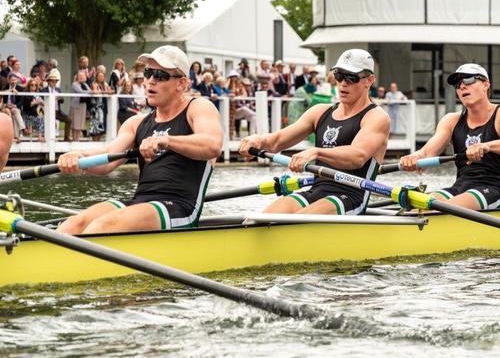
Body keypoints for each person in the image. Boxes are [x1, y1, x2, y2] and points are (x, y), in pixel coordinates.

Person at [56, 45, 223, 234]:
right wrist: (79, 157)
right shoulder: (136, 122)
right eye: (148, 73)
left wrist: (166, 141)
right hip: (139, 202)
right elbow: (108, 159)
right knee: (73, 224)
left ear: (182, 84)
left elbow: (212, 145)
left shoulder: (199, 108)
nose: (150, 81)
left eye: (160, 75)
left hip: (178, 207)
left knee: (101, 227)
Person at [240, 49, 390, 215]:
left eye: (351, 77)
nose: (343, 83)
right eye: (339, 75)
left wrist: (316, 152)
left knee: (297, 222)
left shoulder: (376, 117)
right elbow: (276, 141)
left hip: (351, 197)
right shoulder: (319, 112)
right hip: (316, 191)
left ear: (369, 80)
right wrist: (258, 140)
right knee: (263, 218)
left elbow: (357, 157)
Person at [400, 63, 500, 210]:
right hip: (459, 187)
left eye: (468, 80)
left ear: (486, 84)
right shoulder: (451, 120)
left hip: (493, 189)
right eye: (457, 83)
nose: (462, 86)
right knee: (419, 208)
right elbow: (426, 153)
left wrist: (486, 146)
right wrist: (412, 158)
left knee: (443, 209)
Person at [40, 69, 71, 141]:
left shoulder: (58, 90)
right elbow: (41, 100)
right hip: (47, 111)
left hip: (57, 111)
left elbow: (62, 101)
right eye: (52, 81)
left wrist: (60, 98)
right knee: (50, 122)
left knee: (68, 119)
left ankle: (66, 137)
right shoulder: (44, 90)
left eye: (55, 81)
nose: (54, 83)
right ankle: (48, 138)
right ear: (48, 81)